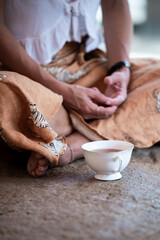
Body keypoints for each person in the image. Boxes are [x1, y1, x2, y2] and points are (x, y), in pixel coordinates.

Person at [0, 0, 132, 177]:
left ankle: (69, 146)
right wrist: (62, 92)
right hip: (26, 74)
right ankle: (109, 128)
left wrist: (120, 69)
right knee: (5, 95)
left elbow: (115, 4)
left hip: (86, 66)